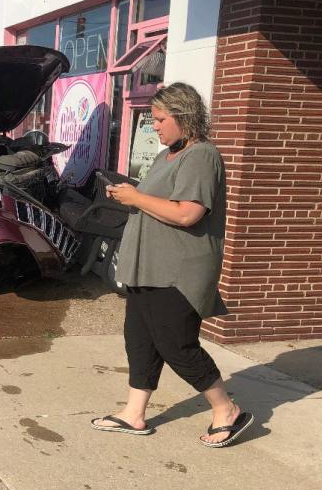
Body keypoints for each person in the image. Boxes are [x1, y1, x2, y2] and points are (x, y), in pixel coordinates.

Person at [91, 82, 252, 448]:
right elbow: (159, 203)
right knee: (140, 341)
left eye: (160, 120)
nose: (155, 127)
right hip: (147, 267)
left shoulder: (201, 156)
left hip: (177, 270)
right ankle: (134, 414)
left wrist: (136, 197)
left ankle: (227, 411)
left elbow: (188, 213)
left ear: (183, 117)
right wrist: (131, 196)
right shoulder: (170, 156)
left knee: (176, 344)